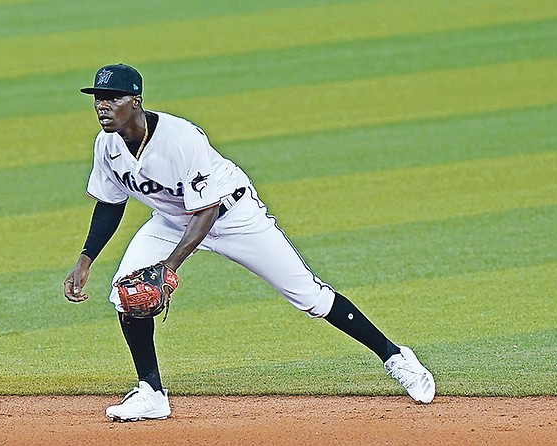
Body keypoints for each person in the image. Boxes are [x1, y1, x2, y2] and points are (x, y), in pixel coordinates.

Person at [64, 64, 435, 422]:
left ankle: (396, 358)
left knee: (310, 296)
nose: (102, 105)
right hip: (172, 222)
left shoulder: (180, 139)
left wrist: (168, 267)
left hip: (234, 216)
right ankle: (151, 393)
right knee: (129, 293)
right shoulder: (107, 145)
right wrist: (86, 259)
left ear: (136, 101)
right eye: (98, 97)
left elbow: (206, 211)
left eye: (112, 97)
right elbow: (110, 204)